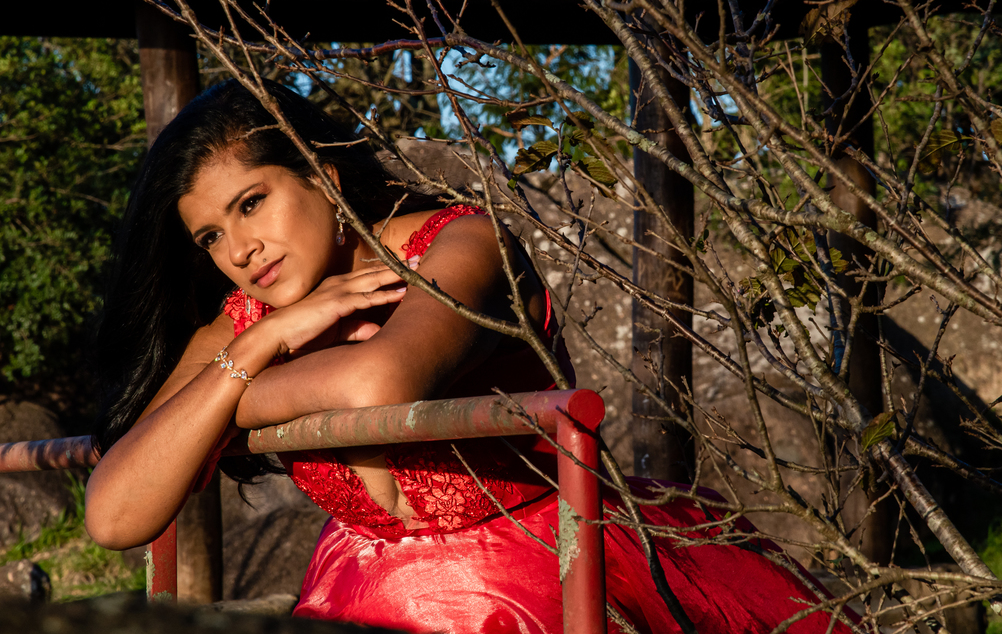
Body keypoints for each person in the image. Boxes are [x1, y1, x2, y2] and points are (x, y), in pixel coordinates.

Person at [85, 78, 854, 634]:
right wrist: (258, 344)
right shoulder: (249, 324)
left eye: (252, 203)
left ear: (323, 175)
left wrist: (223, 397)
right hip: (359, 593)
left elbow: (380, 381)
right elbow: (115, 513)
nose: (240, 249)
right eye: (211, 236)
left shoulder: (461, 245)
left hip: (536, 583)